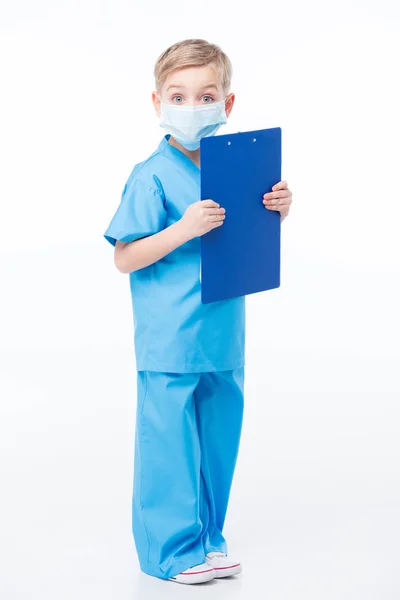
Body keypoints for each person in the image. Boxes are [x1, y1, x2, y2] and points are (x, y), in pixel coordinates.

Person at [103, 38, 292, 585]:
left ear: (227, 104)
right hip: (170, 336)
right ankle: (170, 551)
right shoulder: (151, 175)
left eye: (206, 95)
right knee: (168, 444)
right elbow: (125, 257)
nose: (193, 106)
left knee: (216, 441)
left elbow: (246, 238)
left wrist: (278, 210)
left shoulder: (237, 168)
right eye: (179, 96)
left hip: (222, 331)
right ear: (158, 102)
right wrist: (183, 228)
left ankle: (208, 538)